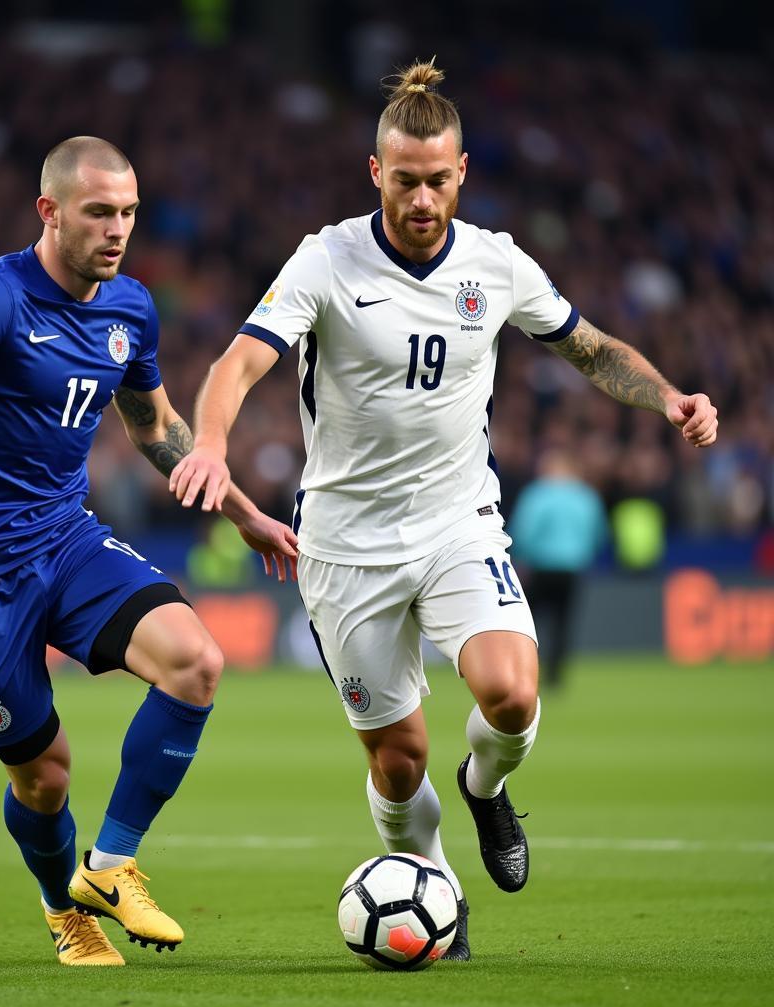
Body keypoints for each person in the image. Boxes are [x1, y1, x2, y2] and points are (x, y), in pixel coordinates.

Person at [169, 60, 718, 960]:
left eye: (438, 180)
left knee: (509, 692)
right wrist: (212, 442)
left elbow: (588, 348)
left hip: (460, 523)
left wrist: (666, 398)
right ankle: (435, 892)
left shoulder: (495, 263)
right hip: (344, 547)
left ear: (462, 173)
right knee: (397, 762)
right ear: (374, 173)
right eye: (405, 179)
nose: (422, 199)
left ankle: (487, 788)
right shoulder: (327, 258)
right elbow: (238, 364)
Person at [0, 136, 298, 968]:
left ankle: (110, 868)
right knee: (45, 778)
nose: (117, 231)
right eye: (99, 213)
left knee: (196, 660)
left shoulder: (130, 309)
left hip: (64, 537)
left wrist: (242, 512)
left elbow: (155, 427)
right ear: (49, 212)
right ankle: (62, 910)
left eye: (128, 213)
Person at [508, 448, 609, 686]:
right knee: (562, 623)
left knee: (526, 622)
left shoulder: (538, 494)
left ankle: (523, 670)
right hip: (572, 568)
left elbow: (523, 531)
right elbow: (598, 534)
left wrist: (521, 557)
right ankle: (555, 678)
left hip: (540, 566)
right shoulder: (586, 496)